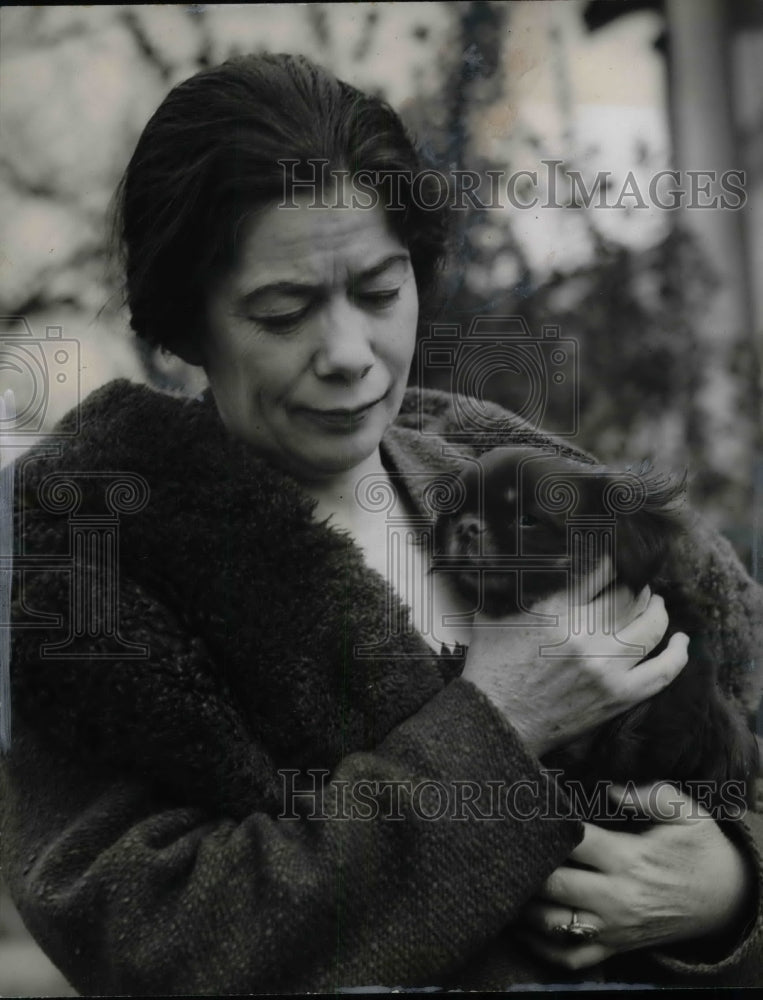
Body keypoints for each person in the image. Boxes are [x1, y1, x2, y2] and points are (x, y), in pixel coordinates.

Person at [2, 53, 761, 993]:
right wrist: (498, 723)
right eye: (283, 313)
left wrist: (727, 886)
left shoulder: (524, 481)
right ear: (184, 328)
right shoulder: (96, 565)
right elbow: (147, 933)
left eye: (377, 292)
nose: (351, 357)